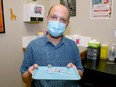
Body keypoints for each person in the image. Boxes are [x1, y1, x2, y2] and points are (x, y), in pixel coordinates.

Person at [20, 4, 84, 87]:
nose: (57, 22)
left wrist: (75, 73)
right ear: (47, 18)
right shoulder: (33, 46)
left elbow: (80, 72)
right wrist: (29, 73)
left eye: (63, 20)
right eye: (54, 17)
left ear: (67, 23)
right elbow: (25, 79)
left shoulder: (73, 46)